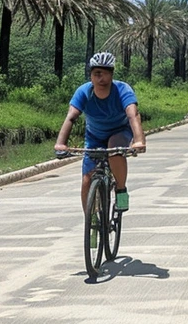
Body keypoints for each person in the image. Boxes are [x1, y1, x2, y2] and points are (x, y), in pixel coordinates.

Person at [53, 52, 146, 213]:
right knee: (86, 181)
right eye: (97, 73)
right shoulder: (83, 92)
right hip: (94, 137)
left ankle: (121, 189)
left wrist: (139, 140)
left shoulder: (123, 90)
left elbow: (133, 115)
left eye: (105, 73)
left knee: (114, 150)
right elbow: (71, 117)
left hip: (120, 132)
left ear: (112, 75)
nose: (100, 78)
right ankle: (90, 221)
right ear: (91, 76)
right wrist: (61, 144)